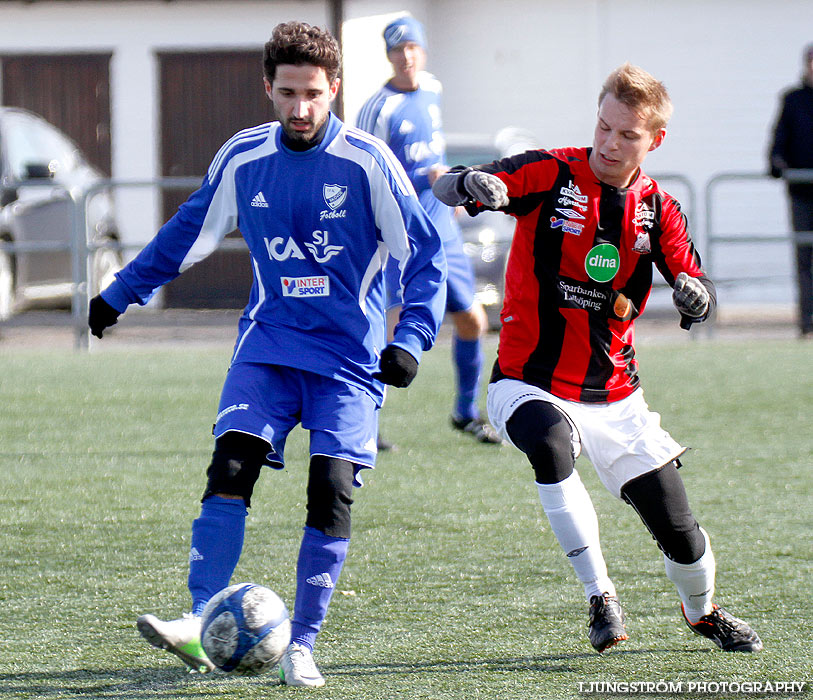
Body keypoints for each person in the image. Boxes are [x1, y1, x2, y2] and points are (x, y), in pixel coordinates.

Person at [88, 21, 446, 687]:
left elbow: (424, 255)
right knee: (230, 463)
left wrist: (410, 338)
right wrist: (120, 292)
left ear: (334, 89)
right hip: (269, 346)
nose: (300, 108)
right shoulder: (243, 157)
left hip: (348, 358)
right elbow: (185, 231)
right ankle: (198, 624)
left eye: (313, 93)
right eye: (287, 93)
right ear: (268, 89)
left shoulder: (368, 162)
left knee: (330, 490)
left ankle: (302, 644)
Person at [433, 63, 762, 654]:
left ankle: (703, 611)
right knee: (552, 444)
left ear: (654, 140)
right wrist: (469, 186)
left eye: (627, 135)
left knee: (682, 536)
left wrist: (697, 295)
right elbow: (447, 183)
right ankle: (600, 595)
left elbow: (695, 280)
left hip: (616, 397)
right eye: (604, 127)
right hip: (528, 381)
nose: (610, 143)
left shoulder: (657, 209)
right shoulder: (550, 170)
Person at [356, 16, 500, 445]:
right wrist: (424, 177)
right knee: (393, 326)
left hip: (441, 228)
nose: (407, 57)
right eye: (398, 50)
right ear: (389, 56)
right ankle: (367, 422)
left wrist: (446, 195)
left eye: (413, 48)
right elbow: (365, 170)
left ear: (423, 50)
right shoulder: (376, 108)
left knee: (472, 320)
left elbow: (435, 150)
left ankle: (464, 412)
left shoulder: (433, 89)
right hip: (400, 232)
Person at [768, 42, 813, 338]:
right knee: (805, 260)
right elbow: (778, 140)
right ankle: (807, 322)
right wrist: (776, 163)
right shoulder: (792, 100)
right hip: (801, 193)